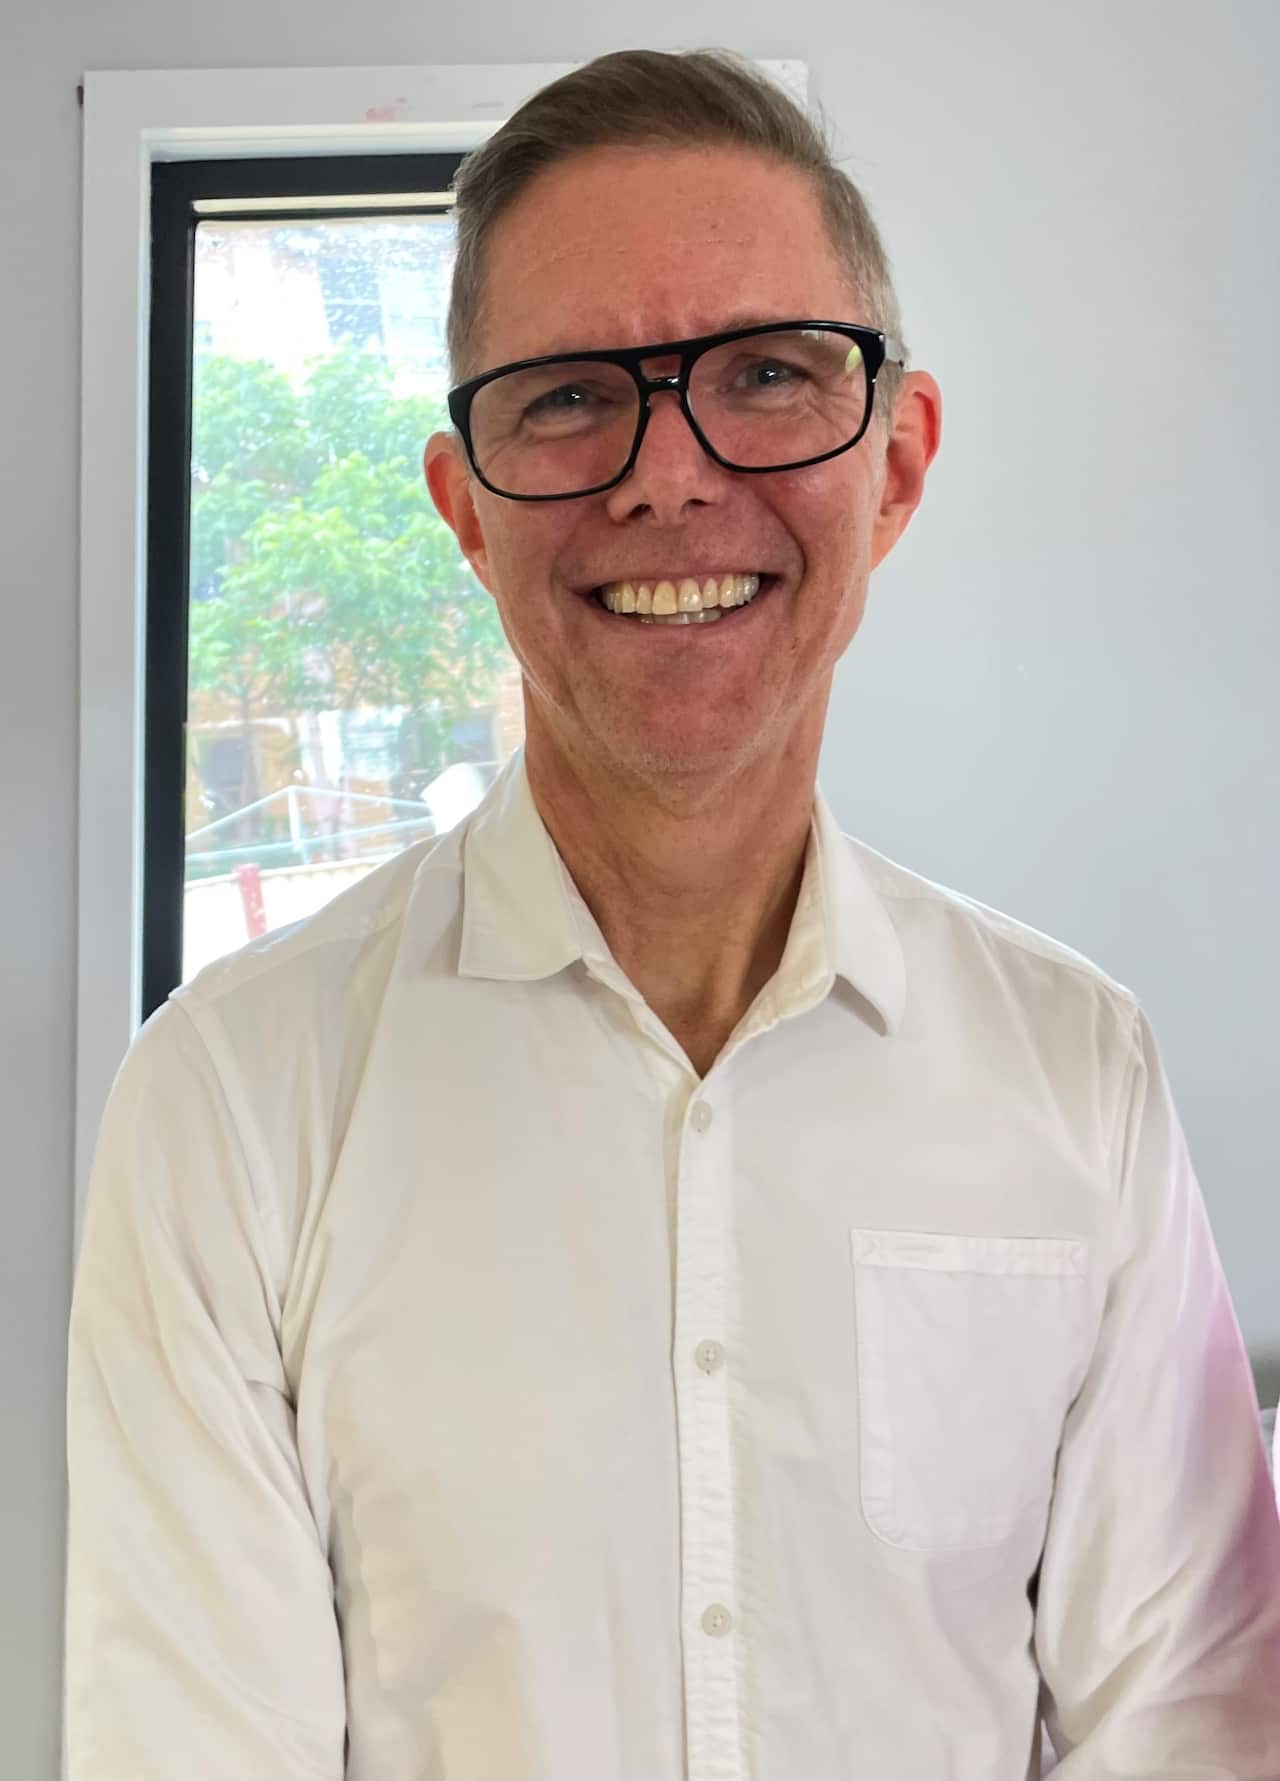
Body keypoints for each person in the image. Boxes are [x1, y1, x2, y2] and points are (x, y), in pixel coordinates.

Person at [64, 48, 1280, 1781]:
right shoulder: (234, 1108)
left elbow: (1190, 1726)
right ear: (464, 509)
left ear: (900, 462)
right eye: (566, 396)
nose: (667, 478)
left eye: (770, 374)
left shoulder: (1077, 1073)